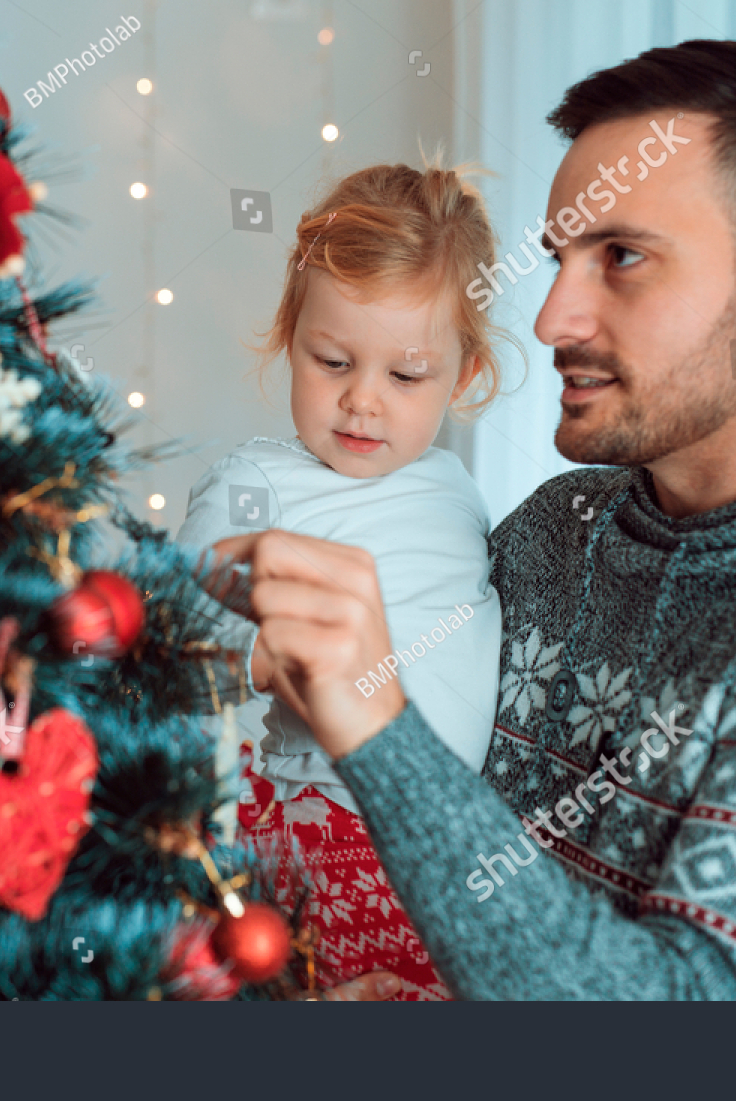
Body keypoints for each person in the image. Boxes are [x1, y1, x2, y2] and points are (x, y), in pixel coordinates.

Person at [216, 39, 736, 999]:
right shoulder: (560, 528)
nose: (550, 321)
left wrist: (379, 727)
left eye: (621, 257)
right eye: (558, 259)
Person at [177, 162, 508, 999]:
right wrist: (270, 654)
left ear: (464, 377)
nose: (362, 402)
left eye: (405, 377)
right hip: (321, 817)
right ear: (291, 338)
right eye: (332, 361)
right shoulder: (258, 482)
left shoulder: (461, 494)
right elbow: (174, 631)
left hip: (448, 841)